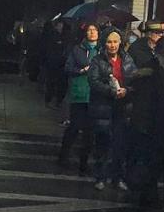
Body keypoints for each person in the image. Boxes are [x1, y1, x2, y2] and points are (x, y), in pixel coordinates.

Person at [128, 32, 164, 210]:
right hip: (153, 126)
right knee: (152, 166)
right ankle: (147, 201)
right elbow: (145, 100)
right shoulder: (151, 71)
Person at [88, 27, 136, 190]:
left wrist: (126, 91)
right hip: (104, 108)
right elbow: (93, 82)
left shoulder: (128, 59)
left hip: (123, 108)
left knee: (121, 145)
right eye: (109, 41)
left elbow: (134, 81)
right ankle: (100, 177)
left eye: (115, 41)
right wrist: (111, 91)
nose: (112, 45)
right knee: (103, 143)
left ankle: (118, 177)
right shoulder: (97, 60)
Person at [57, 23, 99, 174]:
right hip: (79, 93)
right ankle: (63, 156)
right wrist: (81, 70)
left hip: (94, 95)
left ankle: (84, 162)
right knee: (74, 127)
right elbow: (68, 68)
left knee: (89, 131)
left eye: (95, 30)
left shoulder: (101, 51)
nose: (92, 33)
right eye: (89, 30)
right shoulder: (78, 50)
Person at [43, 19, 69, 108]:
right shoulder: (52, 35)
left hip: (61, 62)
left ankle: (57, 101)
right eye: (59, 24)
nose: (61, 26)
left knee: (59, 83)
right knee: (51, 82)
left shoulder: (64, 36)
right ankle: (49, 100)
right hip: (53, 62)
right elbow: (49, 47)